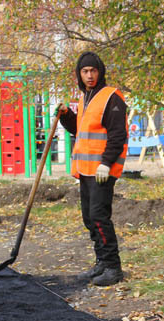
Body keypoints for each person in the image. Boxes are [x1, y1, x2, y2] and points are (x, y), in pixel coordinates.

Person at [56, 51, 128, 287]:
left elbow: (118, 135)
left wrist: (106, 163)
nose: (89, 75)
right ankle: (101, 263)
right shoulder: (86, 98)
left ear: (100, 72)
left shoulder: (111, 98)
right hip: (86, 169)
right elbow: (79, 130)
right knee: (89, 217)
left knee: (99, 216)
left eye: (93, 71)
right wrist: (66, 115)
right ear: (79, 74)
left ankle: (113, 267)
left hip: (102, 170)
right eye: (85, 71)